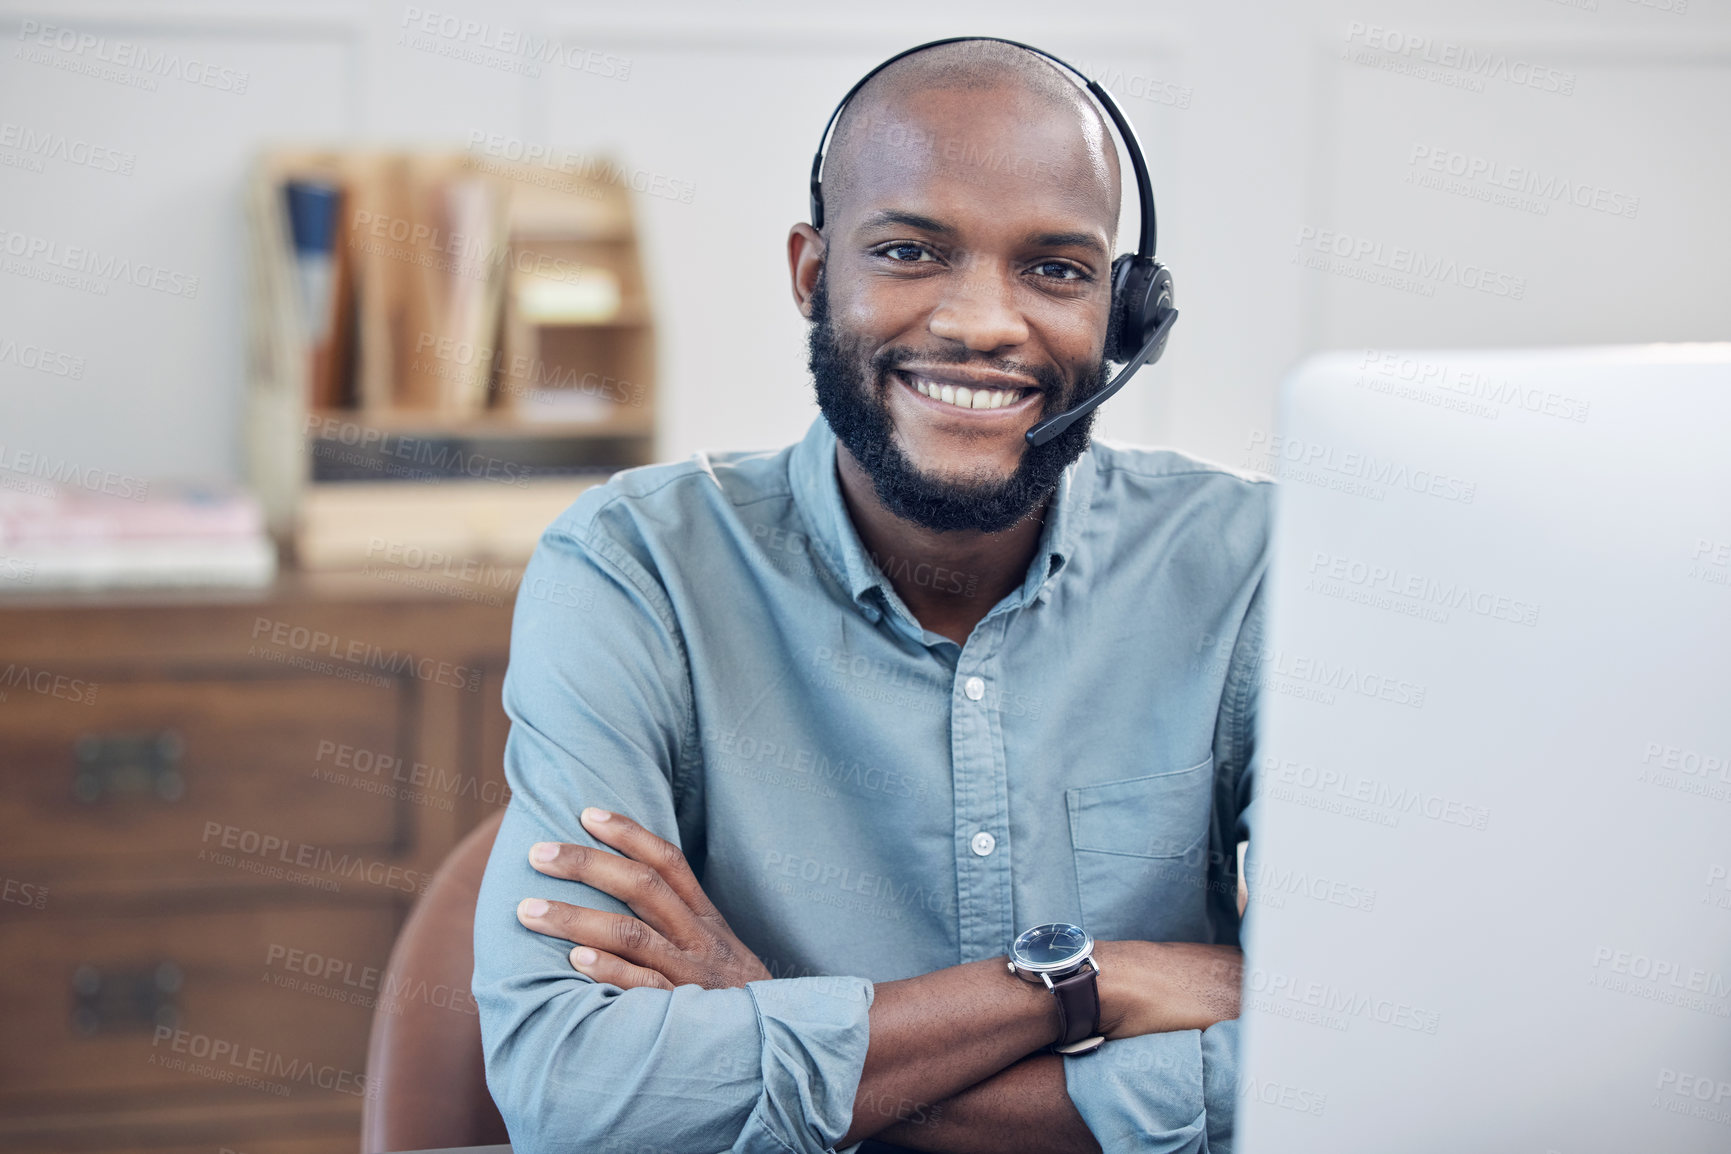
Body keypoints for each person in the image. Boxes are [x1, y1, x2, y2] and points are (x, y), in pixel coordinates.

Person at [474, 37, 1269, 1154]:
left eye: (1056, 268)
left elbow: (1354, 1060)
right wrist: (1083, 985)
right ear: (813, 273)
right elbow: (579, 1091)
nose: (982, 322)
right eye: (909, 251)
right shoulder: (634, 565)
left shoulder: (1254, 569)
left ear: (1125, 315)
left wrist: (776, 1022)